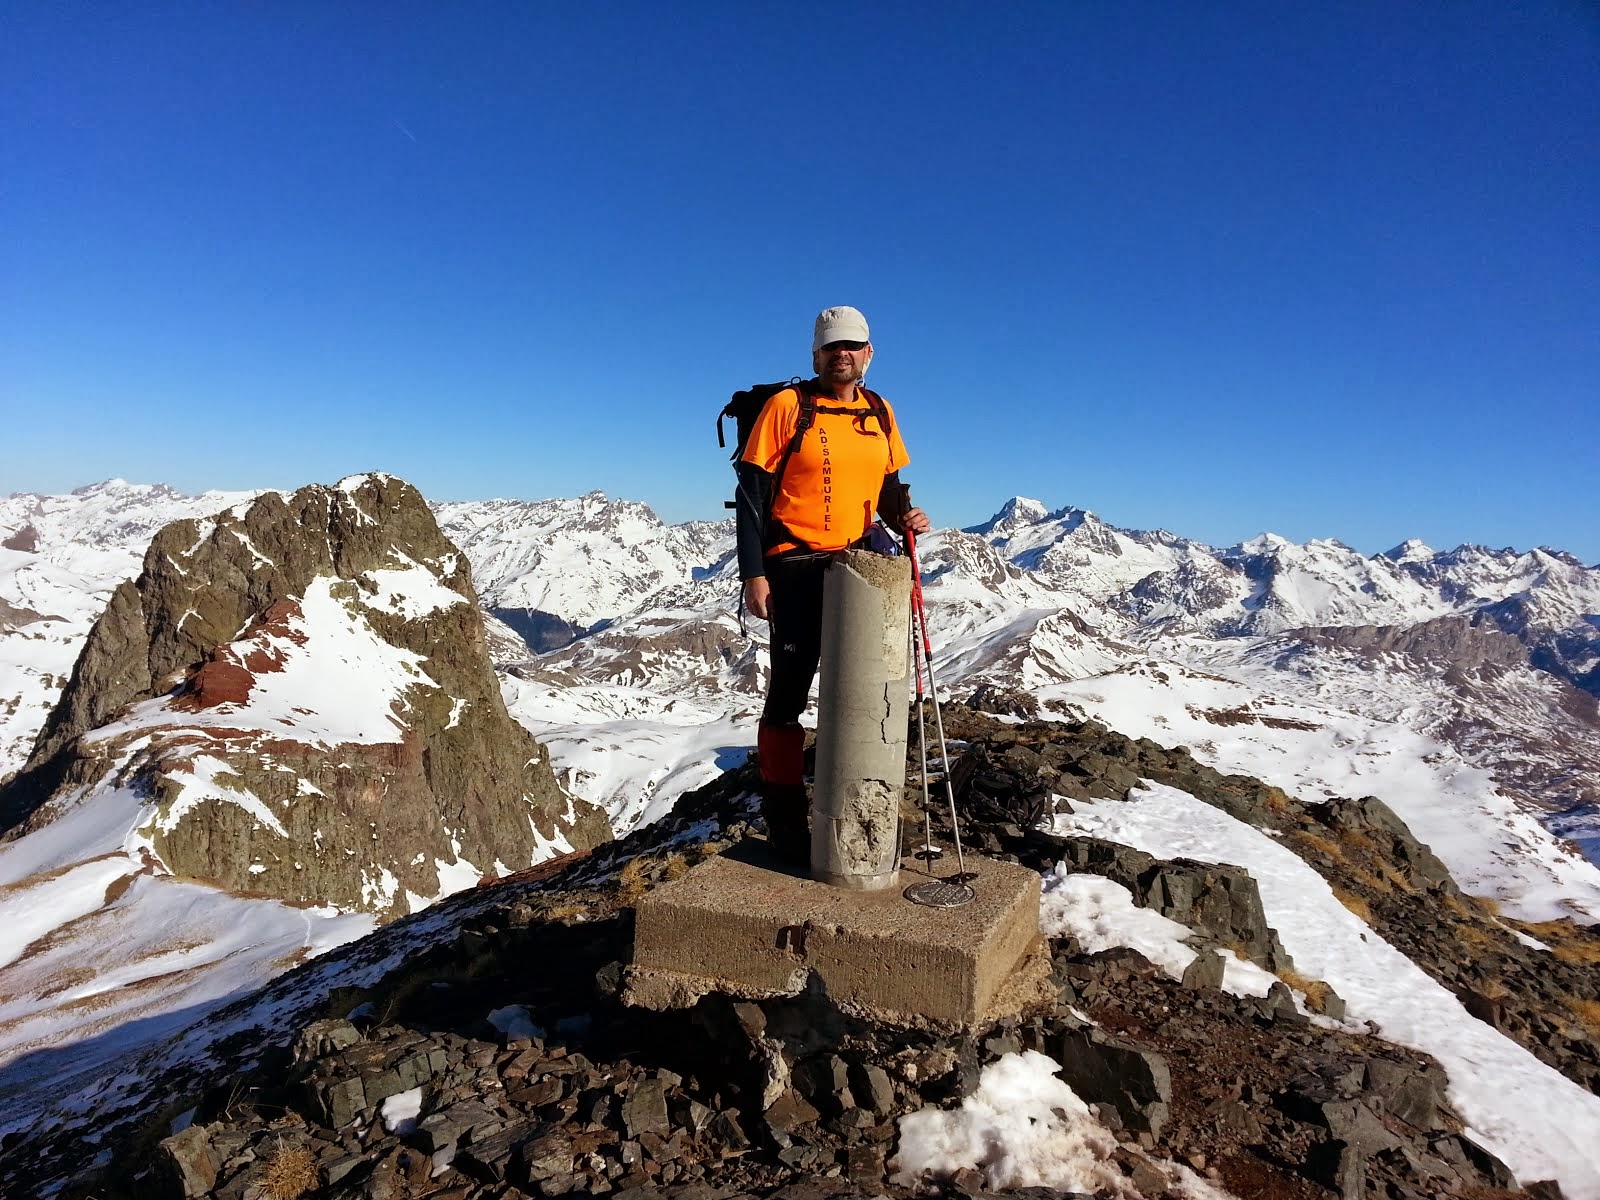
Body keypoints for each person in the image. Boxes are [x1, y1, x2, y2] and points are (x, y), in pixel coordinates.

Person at [735, 305, 931, 864]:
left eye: (852, 346)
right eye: (830, 346)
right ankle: (787, 826)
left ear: (868, 353)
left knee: (868, 694)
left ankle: (861, 820)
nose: (841, 354)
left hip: (860, 563)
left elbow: (889, 485)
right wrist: (754, 573)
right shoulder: (785, 408)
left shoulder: (880, 411)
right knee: (789, 696)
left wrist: (905, 515)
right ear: (815, 355)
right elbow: (752, 495)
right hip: (794, 565)